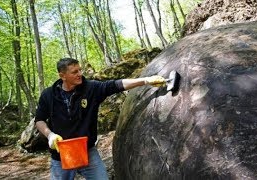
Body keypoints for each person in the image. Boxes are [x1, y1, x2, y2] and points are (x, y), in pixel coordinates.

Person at [34, 57, 166, 180]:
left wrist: (145, 80)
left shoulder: (91, 88)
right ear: (62, 76)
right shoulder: (48, 95)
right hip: (61, 156)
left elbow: (116, 85)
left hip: (88, 152)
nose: (80, 73)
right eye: (74, 72)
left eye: (80, 70)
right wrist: (50, 135)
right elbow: (39, 120)